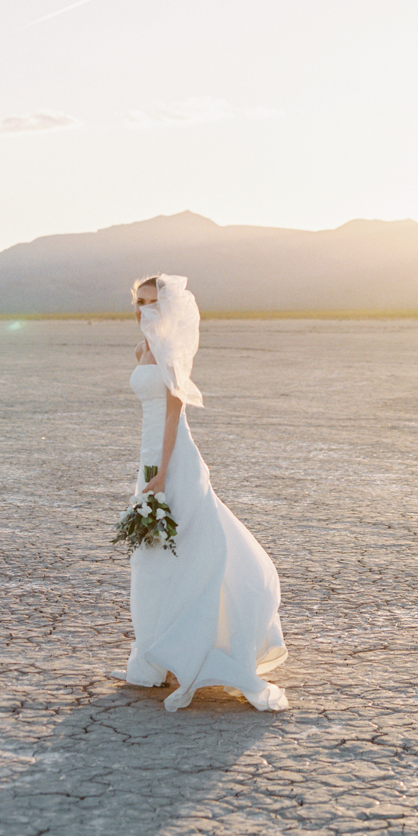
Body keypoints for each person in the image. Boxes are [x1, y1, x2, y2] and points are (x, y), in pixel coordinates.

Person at [111, 273, 288, 712]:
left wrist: (163, 474)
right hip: (150, 460)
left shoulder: (169, 351)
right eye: (138, 301)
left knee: (187, 553)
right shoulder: (143, 348)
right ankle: (155, 655)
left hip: (173, 463)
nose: (141, 309)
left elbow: (174, 416)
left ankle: (195, 650)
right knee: (152, 556)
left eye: (150, 302)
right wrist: (149, 471)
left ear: (167, 307)